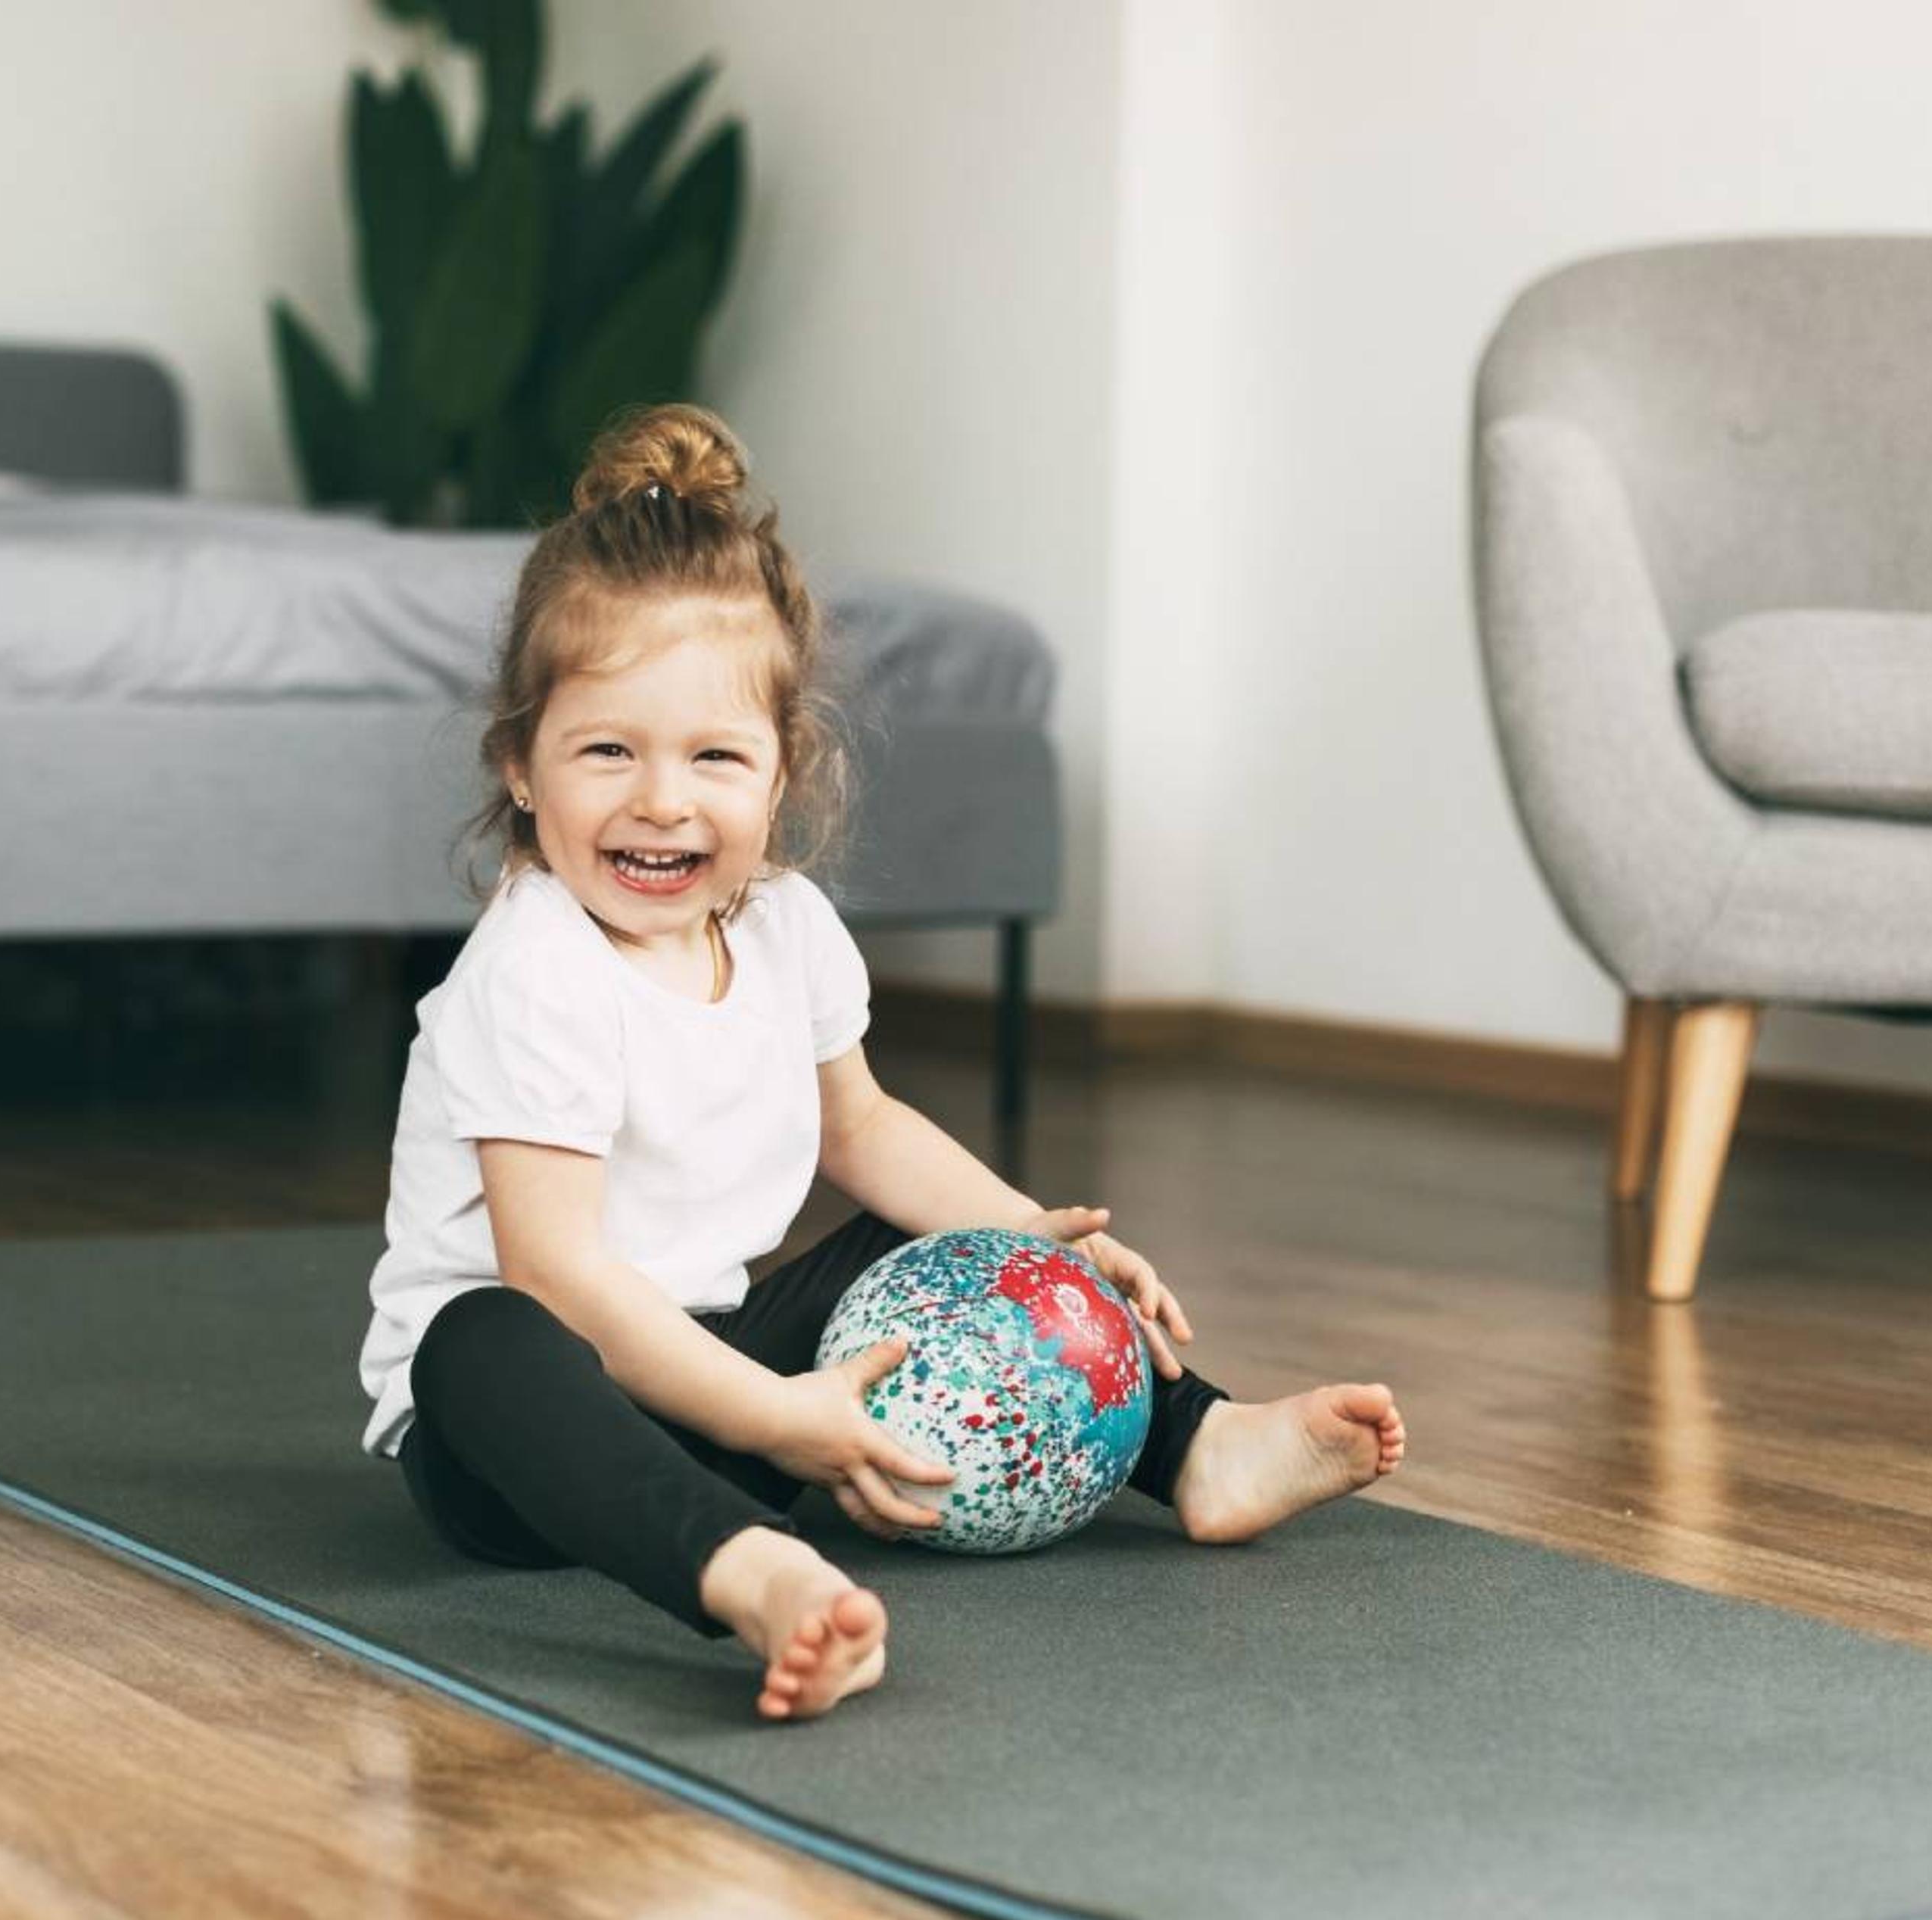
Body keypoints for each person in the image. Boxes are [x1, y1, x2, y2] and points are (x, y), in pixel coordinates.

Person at [359, 404, 1405, 1722]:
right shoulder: (536, 966)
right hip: (521, 1451)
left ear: (784, 772)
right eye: (606, 751)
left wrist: (1039, 1243)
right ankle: (746, 1571)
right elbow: (560, 1278)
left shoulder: (785, 924)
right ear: (521, 763)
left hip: (731, 1378)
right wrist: (776, 1423)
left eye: (715, 757)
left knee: (898, 1249)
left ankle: (1203, 1442)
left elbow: (861, 1128)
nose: (662, 800)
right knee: (480, 1338)